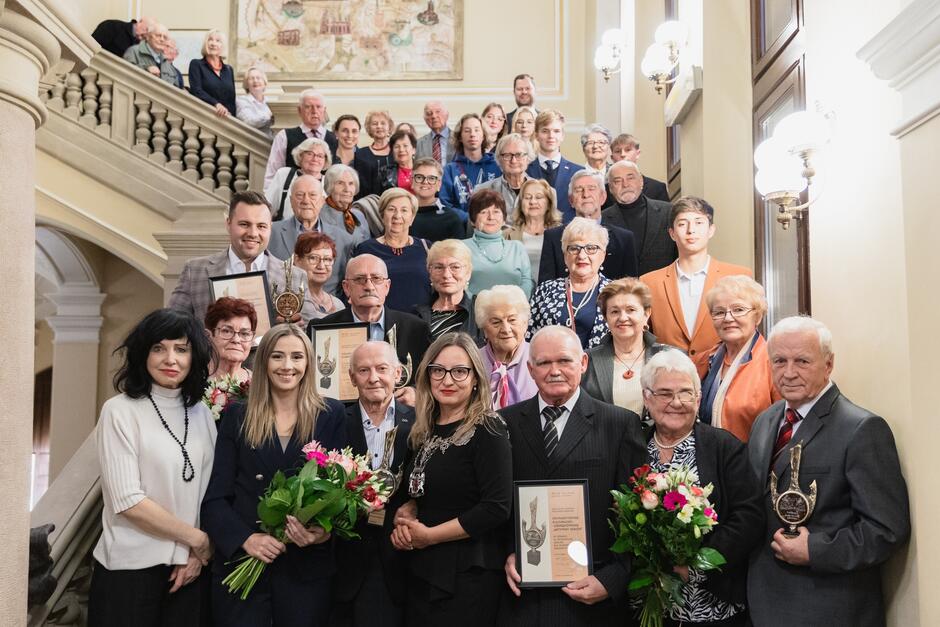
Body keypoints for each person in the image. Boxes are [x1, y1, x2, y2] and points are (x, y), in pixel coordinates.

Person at [747, 316, 911, 627]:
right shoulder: (765, 422)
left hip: (828, 607)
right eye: (779, 360)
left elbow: (887, 530)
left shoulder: (862, 429)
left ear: (829, 364)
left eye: (802, 361)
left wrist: (816, 550)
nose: (789, 372)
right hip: (763, 601)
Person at [499, 326, 646, 626]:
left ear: (583, 363)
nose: (554, 371)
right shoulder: (504, 424)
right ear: (530, 368)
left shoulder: (620, 424)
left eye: (564, 361)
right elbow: (496, 505)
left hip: (592, 596)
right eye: (543, 363)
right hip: (524, 596)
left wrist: (613, 579)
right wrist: (508, 554)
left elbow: (637, 515)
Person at [201, 324, 346, 626]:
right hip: (244, 567)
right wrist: (246, 539)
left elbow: (340, 495)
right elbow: (215, 499)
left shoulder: (330, 414)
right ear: (264, 360)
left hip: (305, 573)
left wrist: (320, 534)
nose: (287, 366)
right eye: (278, 356)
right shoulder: (236, 415)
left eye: (296, 357)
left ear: (308, 363)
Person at [88, 308, 215, 626]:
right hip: (129, 572)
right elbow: (128, 500)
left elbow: (209, 492)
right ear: (143, 355)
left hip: (188, 569)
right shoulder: (119, 411)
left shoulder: (201, 413)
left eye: (181, 349)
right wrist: (197, 541)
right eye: (159, 348)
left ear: (194, 357)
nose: (170, 359)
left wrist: (193, 555)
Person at [391, 332, 512, 626]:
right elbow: (423, 488)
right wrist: (408, 508)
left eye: (459, 371)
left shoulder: (489, 428)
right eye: (438, 371)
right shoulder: (422, 430)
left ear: (475, 379)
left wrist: (429, 536)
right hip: (422, 568)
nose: (447, 380)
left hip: (468, 575)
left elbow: (496, 507)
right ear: (427, 376)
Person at [640, 350, 763, 627]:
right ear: (647, 398)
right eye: (664, 393)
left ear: (698, 399)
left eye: (686, 393)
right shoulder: (633, 447)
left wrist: (695, 566)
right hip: (651, 602)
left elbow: (749, 517)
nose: (676, 402)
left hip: (714, 606)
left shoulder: (724, 447)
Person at [331, 341, 414, 627]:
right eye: (363, 370)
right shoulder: (335, 422)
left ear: (398, 373)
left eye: (382, 369)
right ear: (351, 377)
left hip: (401, 558)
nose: (373, 377)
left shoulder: (419, 424)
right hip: (345, 560)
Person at [168, 191, 307, 326]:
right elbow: (171, 326)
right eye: (244, 224)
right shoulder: (195, 271)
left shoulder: (295, 276)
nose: (253, 233)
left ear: (270, 228)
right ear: (228, 224)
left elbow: (310, 328)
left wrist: (297, 328)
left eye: (261, 226)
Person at [641, 196, 753, 361]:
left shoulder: (740, 277)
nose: (690, 230)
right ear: (672, 233)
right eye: (682, 224)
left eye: (699, 223)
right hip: (669, 376)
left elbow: (751, 336)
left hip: (725, 374)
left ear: (711, 230)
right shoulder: (649, 282)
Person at [308, 255, 431, 403]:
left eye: (376, 278)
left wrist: (416, 392)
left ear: (387, 287)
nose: (369, 286)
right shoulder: (322, 330)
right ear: (346, 288)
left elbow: (430, 378)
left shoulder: (416, 329)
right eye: (360, 279)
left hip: (401, 418)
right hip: (342, 419)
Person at [698, 276, 780, 442]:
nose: (728, 318)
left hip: (752, 463)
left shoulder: (774, 363)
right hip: (709, 461)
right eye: (719, 312)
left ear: (757, 316)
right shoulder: (703, 360)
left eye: (738, 310)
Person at [582, 278, 674, 416]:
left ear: (646, 313)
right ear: (606, 318)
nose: (623, 317)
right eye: (614, 312)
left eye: (630, 310)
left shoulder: (670, 357)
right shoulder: (587, 361)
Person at [538, 170, 639, 283]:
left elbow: (631, 288)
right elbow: (545, 286)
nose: (585, 194)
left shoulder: (624, 239)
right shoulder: (553, 237)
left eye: (591, 189)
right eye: (578, 190)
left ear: (603, 197)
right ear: (571, 200)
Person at [529, 218, 610, 349]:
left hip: (600, 368)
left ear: (603, 255)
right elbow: (529, 339)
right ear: (565, 255)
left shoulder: (614, 293)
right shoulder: (545, 291)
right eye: (574, 248)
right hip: (554, 367)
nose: (582, 255)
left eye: (591, 248)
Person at [268, 175, 351, 298]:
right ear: (291, 201)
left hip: (328, 312)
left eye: (312, 195)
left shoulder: (344, 239)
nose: (306, 201)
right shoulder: (270, 232)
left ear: (322, 201)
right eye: (300, 195)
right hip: (284, 310)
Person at [354, 187, 432, 312]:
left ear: (412, 218)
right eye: (391, 209)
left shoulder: (426, 247)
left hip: (421, 323)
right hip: (380, 321)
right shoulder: (366, 249)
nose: (397, 216)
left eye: (404, 210)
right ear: (382, 215)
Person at [601, 160, 677, 275]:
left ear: (641, 181)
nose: (625, 185)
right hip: (620, 289)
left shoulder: (669, 211)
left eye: (630, 178)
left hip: (662, 286)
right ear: (610, 188)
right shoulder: (602, 220)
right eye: (617, 181)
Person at [475, 285, 538, 409]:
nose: (505, 329)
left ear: (525, 323)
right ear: (484, 329)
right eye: (496, 322)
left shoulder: (540, 358)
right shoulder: (473, 361)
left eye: (512, 320)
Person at [463, 189, 533, 298]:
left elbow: (527, 282)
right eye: (484, 212)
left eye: (496, 211)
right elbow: (458, 286)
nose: (491, 217)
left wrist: (513, 304)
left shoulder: (517, 247)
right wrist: (483, 306)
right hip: (475, 311)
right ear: (472, 220)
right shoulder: (461, 248)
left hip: (514, 311)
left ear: (504, 219)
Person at [264, 90, 338, 188]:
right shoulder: (284, 136)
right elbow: (273, 172)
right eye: (308, 107)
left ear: (324, 110)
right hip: (291, 197)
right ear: (299, 110)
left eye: (318, 107)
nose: (314, 111)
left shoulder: (335, 138)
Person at [413, 239, 481, 342]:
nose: (446, 275)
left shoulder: (480, 312)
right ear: (430, 273)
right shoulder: (416, 315)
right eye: (439, 267)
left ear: (468, 273)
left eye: (455, 267)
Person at [439, 113, 502, 221]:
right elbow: (445, 203)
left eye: (477, 130)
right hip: (461, 228)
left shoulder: (497, 166)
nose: (472, 134)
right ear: (460, 137)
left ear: (483, 136)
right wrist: (469, 219)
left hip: (493, 225)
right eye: (467, 131)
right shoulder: (450, 170)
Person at [525, 109, 583, 222]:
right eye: (545, 131)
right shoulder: (525, 170)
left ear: (562, 135)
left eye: (556, 131)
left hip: (568, 233)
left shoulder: (578, 172)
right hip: (534, 233)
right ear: (536, 135)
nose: (551, 136)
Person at [504, 178, 561, 281]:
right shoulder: (507, 235)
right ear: (521, 204)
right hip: (517, 292)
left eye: (539, 197)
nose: (533, 202)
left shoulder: (561, 234)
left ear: (549, 203)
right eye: (527, 197)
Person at [265, 138, 333, 221]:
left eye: (320, 156)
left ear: (325, 161)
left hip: (318, 232)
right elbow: (267, 208)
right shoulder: (284, 175)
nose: (315, 159)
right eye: (310, 154)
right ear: (300, 156)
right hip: (285, 231)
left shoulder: (329, 182)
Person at [475, 133, 533, 222]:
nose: (513, 161)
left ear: (528, 158)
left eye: (519, 155)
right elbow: (473, 230)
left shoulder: (545, 191)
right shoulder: (481, 191)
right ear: (499, 159)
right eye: (507, 155)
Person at [409, 158, 466, 242]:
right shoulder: (401, 214)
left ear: (439, 184)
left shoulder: (451, 218)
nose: (425, 182)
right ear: (412, 181)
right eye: (419, 177)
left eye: (431, 178)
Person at [294, 232, 346, 319]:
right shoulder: (290, 302)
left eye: (327, 259)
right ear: (297, 260)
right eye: (313, 258)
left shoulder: (338, 305)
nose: (321, 266)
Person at [205, 297, 256, 383]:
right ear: (209, 336)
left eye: (244, 333)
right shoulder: (194, 383)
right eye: (227, 331)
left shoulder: (260, 384)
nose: (236, 340)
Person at [188, 30, 236, 118]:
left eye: (218, 41)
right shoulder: (196, 64)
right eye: (210, 40)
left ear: (223, 46)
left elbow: (232, 99)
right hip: (206, 117)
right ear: (206, 43)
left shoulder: (229, 70)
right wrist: (216, 104)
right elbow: (196, 91)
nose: (213, 43)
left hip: (227, 119)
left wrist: (232, 116)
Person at [610, 134, 669, 202]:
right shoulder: (604, 191)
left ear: (638, 154)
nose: (623, 154)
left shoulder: (657, 188)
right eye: (618, 151)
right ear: (612, 158)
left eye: (628, 150)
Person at [321, 164, 372, 242]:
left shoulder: (359, 216)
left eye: (351, 183)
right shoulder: (318, 216)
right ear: (329, 187)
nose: (347, 189)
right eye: (340, 183)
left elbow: (367, 246)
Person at [352, 110, 394, 198]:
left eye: (383, 123)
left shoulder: (397, 151)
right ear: (369, 128)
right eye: (375, 124)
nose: (379, 126)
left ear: (389, 127)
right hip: (368, 203)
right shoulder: (361, 154)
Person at [236, 67, 274, 138]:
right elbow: (249, 122)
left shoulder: (270, 102)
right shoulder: (241, 101)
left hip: (271, 143)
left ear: (264, 83)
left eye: (258, 78)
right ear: (246, 84)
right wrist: (270, 117)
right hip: (253, 144)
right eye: (251, 78)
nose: (255, 81)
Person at [416, 100, 454, 165]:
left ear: (447, 115)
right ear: (425, 120)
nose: (433, 116)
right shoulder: (419, 144)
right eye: (429, 113)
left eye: (438, 112)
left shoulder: (459, 139)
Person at [379, 129, 418, 193]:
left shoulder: (423, 170)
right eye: (397, 147)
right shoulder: (384, 172)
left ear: (414, 150)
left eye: (405, 146)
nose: (401, 150)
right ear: (392, 152)